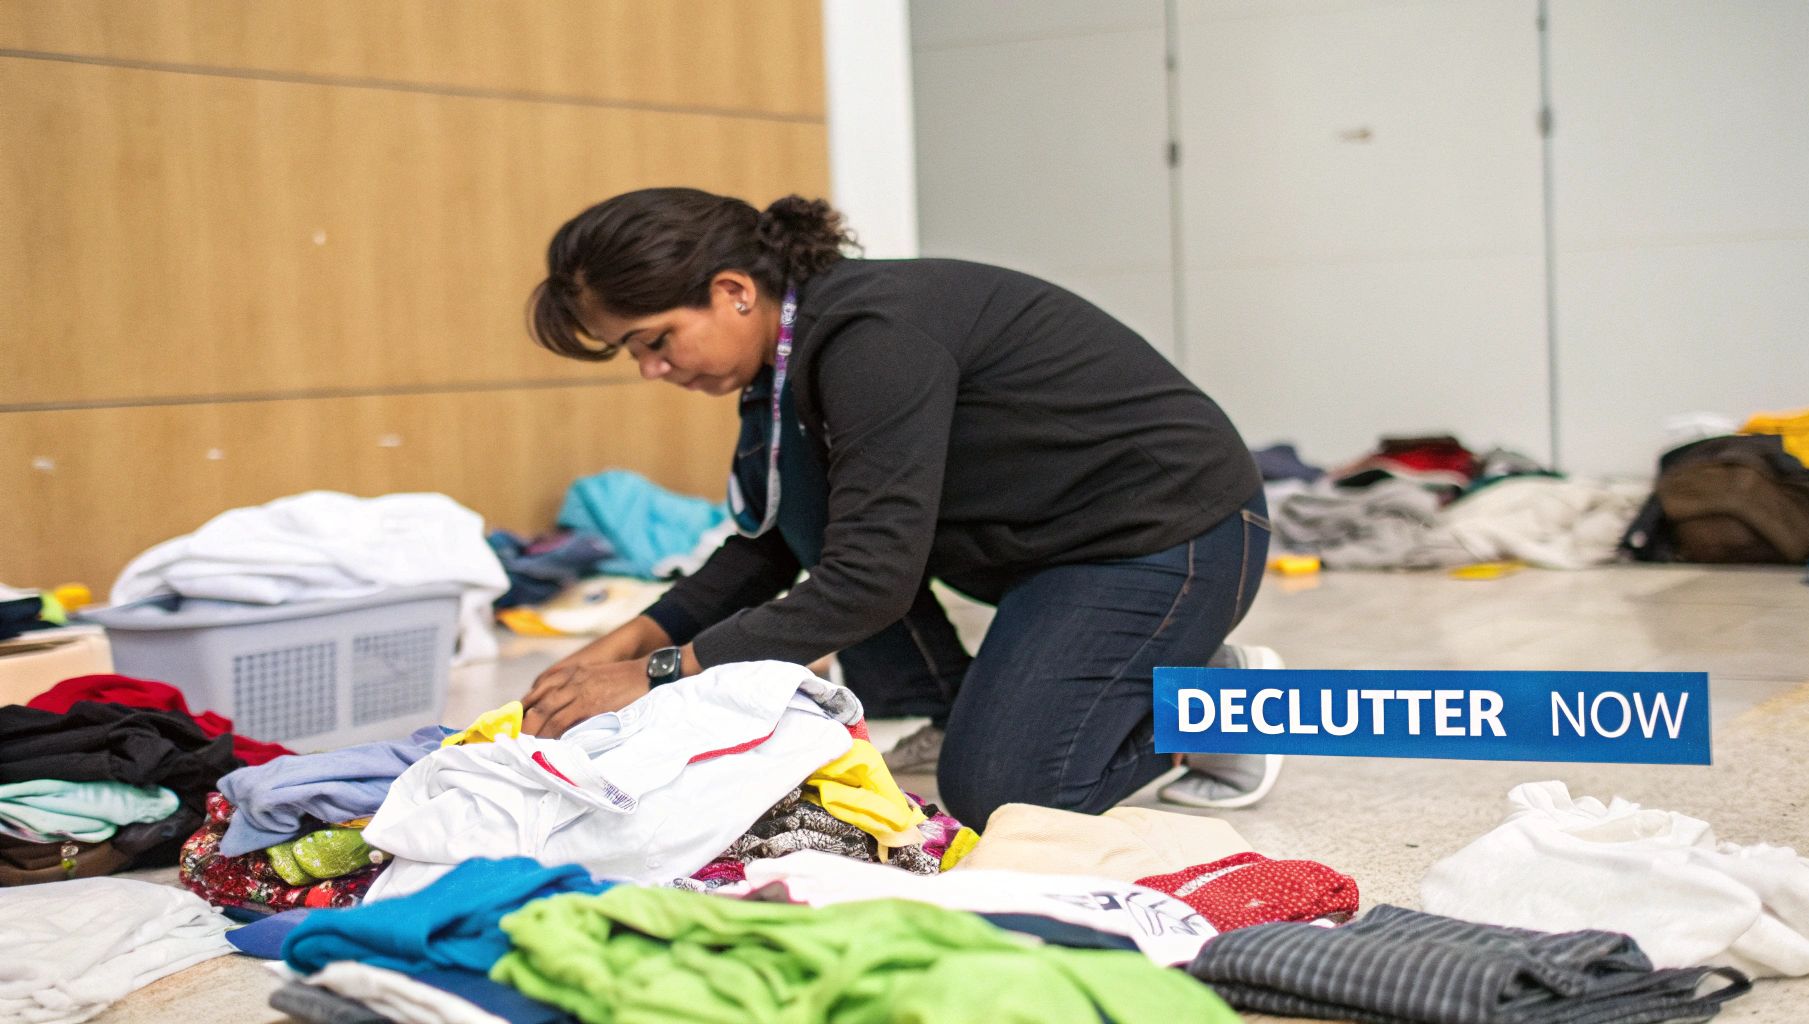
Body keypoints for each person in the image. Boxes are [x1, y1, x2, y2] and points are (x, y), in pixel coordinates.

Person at [517, 187, 1281, 827]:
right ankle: (956, 711)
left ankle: (1228, 701)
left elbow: (869, 581)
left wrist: (658, 673)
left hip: (1168, 535)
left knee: (1011, 794)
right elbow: (774, 540)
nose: (651, 370)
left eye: (656, 341)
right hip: (1048, 551)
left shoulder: (872, 338)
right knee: (812, 504)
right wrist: (626, 642)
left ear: (733, 291)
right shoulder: (783, 364)